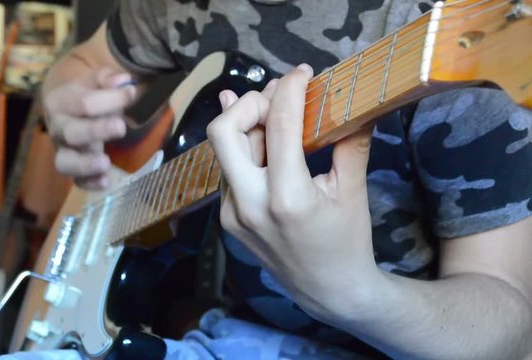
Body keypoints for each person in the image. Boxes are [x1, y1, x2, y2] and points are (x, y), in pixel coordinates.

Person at [37, 0, 532, 359]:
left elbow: (514, 332)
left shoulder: (454, 19)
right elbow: (88, 63)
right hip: (233, 333)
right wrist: (63, 93)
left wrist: (355, 295)